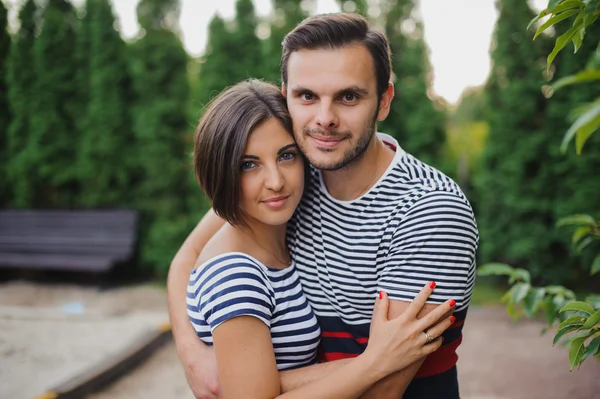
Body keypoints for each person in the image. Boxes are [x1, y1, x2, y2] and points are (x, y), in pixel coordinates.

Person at [169, 13, 478, 399]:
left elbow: (382, 388)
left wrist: (247, 383)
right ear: (286, 96)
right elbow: (188, 257)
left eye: (348, 96)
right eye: (307, 96)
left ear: (383, 101)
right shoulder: (289, 178)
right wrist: (193, 353)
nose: (325, 119)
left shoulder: (429, 210)